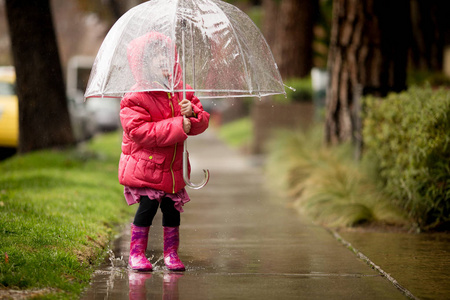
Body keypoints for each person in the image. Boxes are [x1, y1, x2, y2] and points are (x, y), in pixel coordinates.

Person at [119, 32, 210, 272]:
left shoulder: (183, 91)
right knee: (147, 208)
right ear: (143, 63)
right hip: (147, 165)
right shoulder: (136, 96)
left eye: (166, 55)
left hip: (173, 167)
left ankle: (171, 253)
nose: (162, 60)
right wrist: (180, 125)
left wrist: (192, 113)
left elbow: (201, 123)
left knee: (172, 211)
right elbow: (138, 131)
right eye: (155, 57)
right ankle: (136, 253)